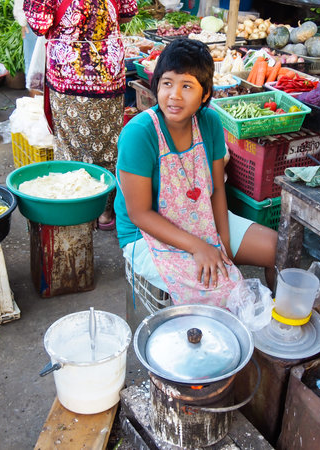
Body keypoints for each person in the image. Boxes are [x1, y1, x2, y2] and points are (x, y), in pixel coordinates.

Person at [115, 38, 277, 307]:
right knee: (223, 290)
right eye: (167, 83)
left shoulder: (209, 121)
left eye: (187, 86)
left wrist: (221, 243)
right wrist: (200, 247)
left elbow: (216, 189)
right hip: (145, 235)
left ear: (204, 94)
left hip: (203, 217)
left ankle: (280, 333)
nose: (174, 95)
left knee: (280, 249)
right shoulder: (139, 133)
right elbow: (139, 214)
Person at [23, 0, 137, 230]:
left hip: (69, 71)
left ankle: (75, 211)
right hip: (108, 72)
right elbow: (127, 12)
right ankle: (105, 212)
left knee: (70, 147)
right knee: (108, 144)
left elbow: (40, 23)